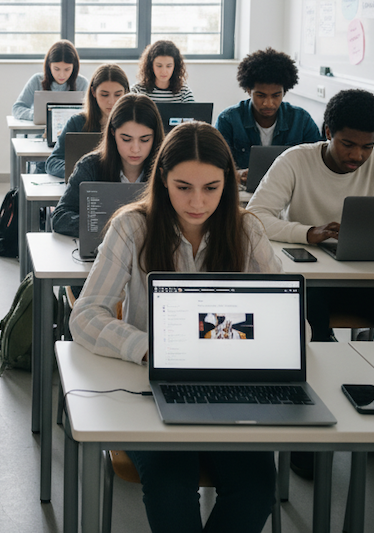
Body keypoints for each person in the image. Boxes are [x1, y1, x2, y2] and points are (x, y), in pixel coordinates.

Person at [70, 122, 280, 533]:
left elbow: (293, 323)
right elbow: (86, 315)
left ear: (228, 182)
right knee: (170, 485)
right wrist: (151, 348)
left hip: (230, 389)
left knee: (256, 488)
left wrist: (257, 344)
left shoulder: (246, 229)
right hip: (151, 387)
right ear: (163, 177)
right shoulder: (132, 227)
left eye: (211, 188)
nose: (197, 202)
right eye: (183, 187)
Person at [247, 88, 374, 341]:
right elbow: (254, 217)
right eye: (348, 144)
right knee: (312, 321)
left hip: (367, 278)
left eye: (368, 146)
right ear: (329, 132)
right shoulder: (295, 160)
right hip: (314, 282)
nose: (358, 155)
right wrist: (308, 233)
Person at [52, 94, 163, 237]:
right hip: (101, 246)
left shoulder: (166, 169)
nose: (135, 149)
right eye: (126, 139)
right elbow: (60, 217)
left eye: (145, 139)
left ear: (155, 137)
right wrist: (108, 228)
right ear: (112, 133)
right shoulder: (90, 166)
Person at [216, 47, 321, 181]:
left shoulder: (301, 120)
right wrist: (238, 175)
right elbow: (215, 165)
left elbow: (316, 164)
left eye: (276, 95)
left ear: (284, 92)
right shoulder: (228, 120)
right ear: (248, 90)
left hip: (289, 188)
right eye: (261, 95)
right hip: (242, 190)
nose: (268, 103)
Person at [45, 64, 129, 178]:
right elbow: (52, 163)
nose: (111, 101)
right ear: (93, 92)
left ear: (126, 93)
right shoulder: (77, 122)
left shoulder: (134, 124)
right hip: (84, 184)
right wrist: (83, 171)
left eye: (118, 95)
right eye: (104, 95)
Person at [11, 39, 89, 121]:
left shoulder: (82, 83)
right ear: (49, 65)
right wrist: (36, 115)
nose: (62, 75)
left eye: (67, 69)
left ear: (74, 67)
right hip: (41, 129)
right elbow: (17, 108)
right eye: (56, 69)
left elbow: (91, 112)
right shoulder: (37, 80)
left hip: (72, 129)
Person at [130, 40, 194, 103]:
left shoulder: (184, 93)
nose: (164, 71)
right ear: (151, 65)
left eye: (169, 66)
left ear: (175, 66)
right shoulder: (137, 91)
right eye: (159, 66)